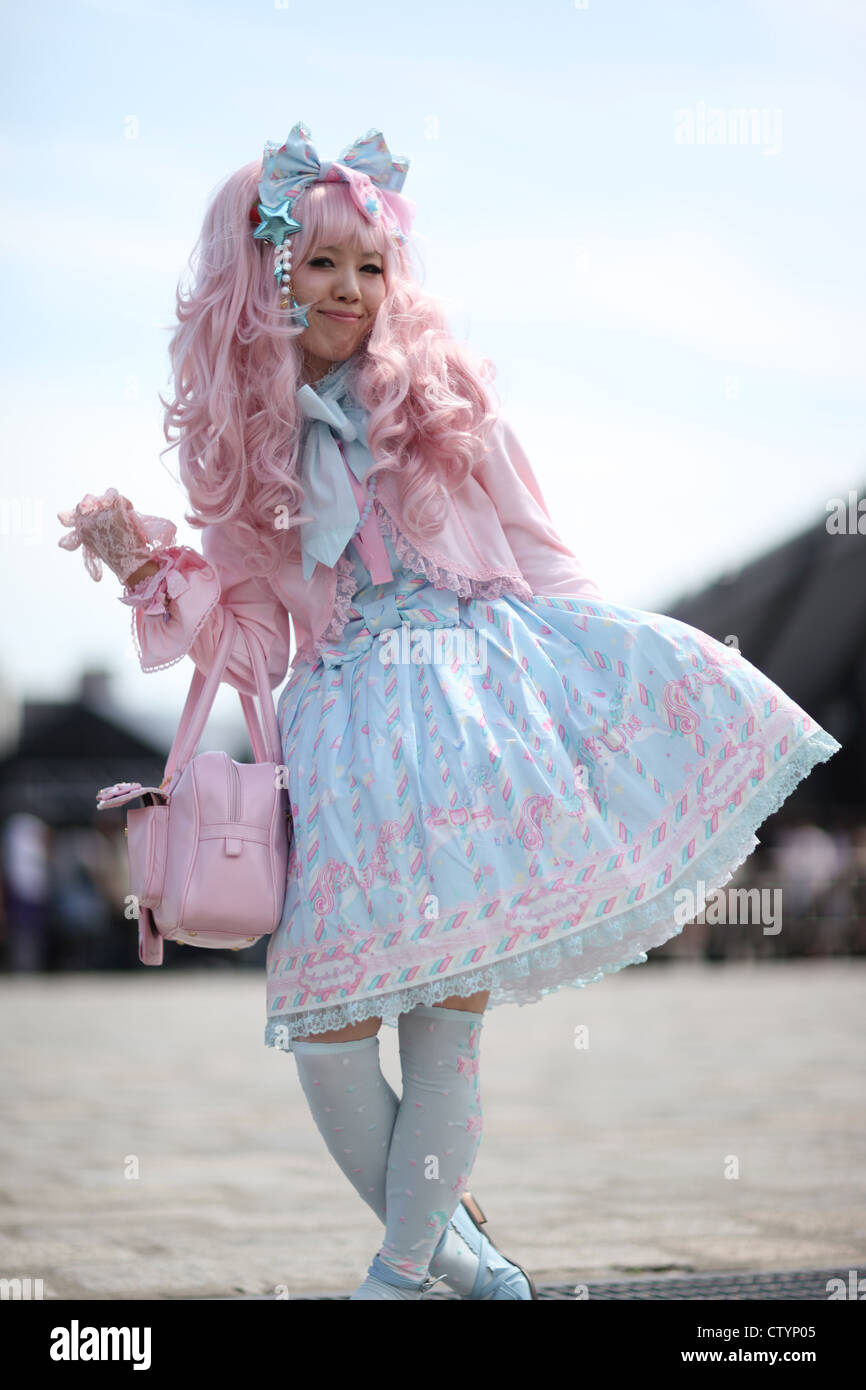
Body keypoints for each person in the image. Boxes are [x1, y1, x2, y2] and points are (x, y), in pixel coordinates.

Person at [56, 122, 842, 1300]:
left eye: (369, 265)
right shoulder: (249, 458)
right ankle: (477, 1275)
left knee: (442, 1031)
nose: (348, 291)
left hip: (471, 724)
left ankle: (394, 1277)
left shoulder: (444, 403)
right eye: (318, 263)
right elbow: (254, 644)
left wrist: (616, 697)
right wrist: (148, 573)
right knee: (322, 1043)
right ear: (260, 274)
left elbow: (545, 563)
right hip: (340, 754)